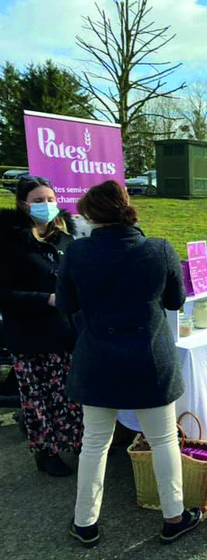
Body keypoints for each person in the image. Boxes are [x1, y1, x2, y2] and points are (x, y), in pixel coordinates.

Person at [56, 181, 201, 548]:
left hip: (98, 357)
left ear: (90, 215)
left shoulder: (77, 252)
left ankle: (84, 523)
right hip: (148, 357)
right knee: (164, 440)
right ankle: (174, 517)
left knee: (95, 443)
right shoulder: (159, 248)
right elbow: (175, 301)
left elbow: (65, 306)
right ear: (127, 207)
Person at [0, 176, 83, 476]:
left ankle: (75, 442)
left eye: (50, 199)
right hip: (30, 335)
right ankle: (45, 452)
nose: (47, 206)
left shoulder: (66, 240)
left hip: (65, 332)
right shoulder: (10, 242)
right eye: (38, 200)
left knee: (68, 394)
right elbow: (4, 294)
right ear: (23, 204)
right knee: (38, 399)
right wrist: (44, 299)